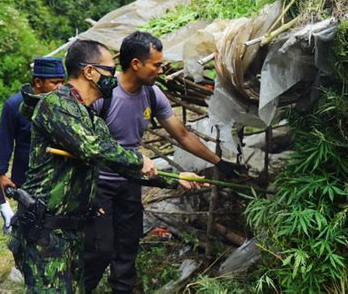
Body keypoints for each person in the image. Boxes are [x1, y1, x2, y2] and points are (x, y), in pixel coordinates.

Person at [8, 39, 168, 292]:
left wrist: (174, 178)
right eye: (110, 71)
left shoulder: (92, 118)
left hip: (73, 233)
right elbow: (92, 148)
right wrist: (139, 160)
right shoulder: (55, 105)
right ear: (89, 71)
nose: (114, 78)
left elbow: (119, 164)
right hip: (45, 233)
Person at [84, 31, 235, 293]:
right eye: (156, 64)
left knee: (128, 245)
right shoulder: (104, 95)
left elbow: (182, 134)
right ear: (136, 64)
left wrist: (218, 161)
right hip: (99, 185)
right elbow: (85, 141)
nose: (161, 69)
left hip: (131, 183)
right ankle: (79, 286)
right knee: (101, 248)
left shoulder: (152, 94)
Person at [0, 57, 65, 234]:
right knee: (29, 227)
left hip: (59, 177)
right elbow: (5, 140)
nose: (60, 87)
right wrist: (2, 174)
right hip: (27, 179)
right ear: (38, 82)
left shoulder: (63, 104)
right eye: (54, 83)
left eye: (62, 82)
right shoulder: (14, 105)